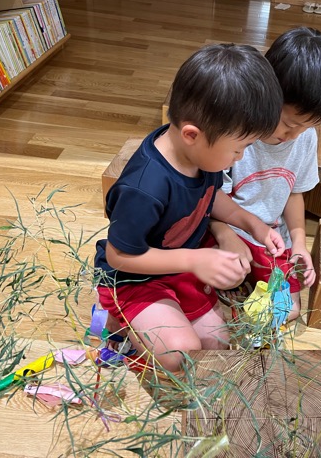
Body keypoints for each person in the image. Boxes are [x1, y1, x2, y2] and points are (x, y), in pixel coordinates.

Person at [94, 43, 285, 373]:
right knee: (179, 355)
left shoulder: (201, 155)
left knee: (216, 344)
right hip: (136, 278)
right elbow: (118, 256)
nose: (239, 158)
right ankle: (116, 320)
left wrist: (252, 223)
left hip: (180, 266)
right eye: (238, 149)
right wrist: (195, 260)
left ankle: (156, 316)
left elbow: (210, 197)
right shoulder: (144, 188)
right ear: (191, 134)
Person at [210, 27, 321, 324]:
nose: (294, 135)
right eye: (289, 123)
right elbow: (209, 196)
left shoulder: (305, 138)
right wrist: (224, 235)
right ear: (266, 93)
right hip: (228, 227)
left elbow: (294, 193)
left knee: (290, 308)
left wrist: (298, 242)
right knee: (222, 281)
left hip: (271, 239)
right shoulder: (237, 134)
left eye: (306, 126)